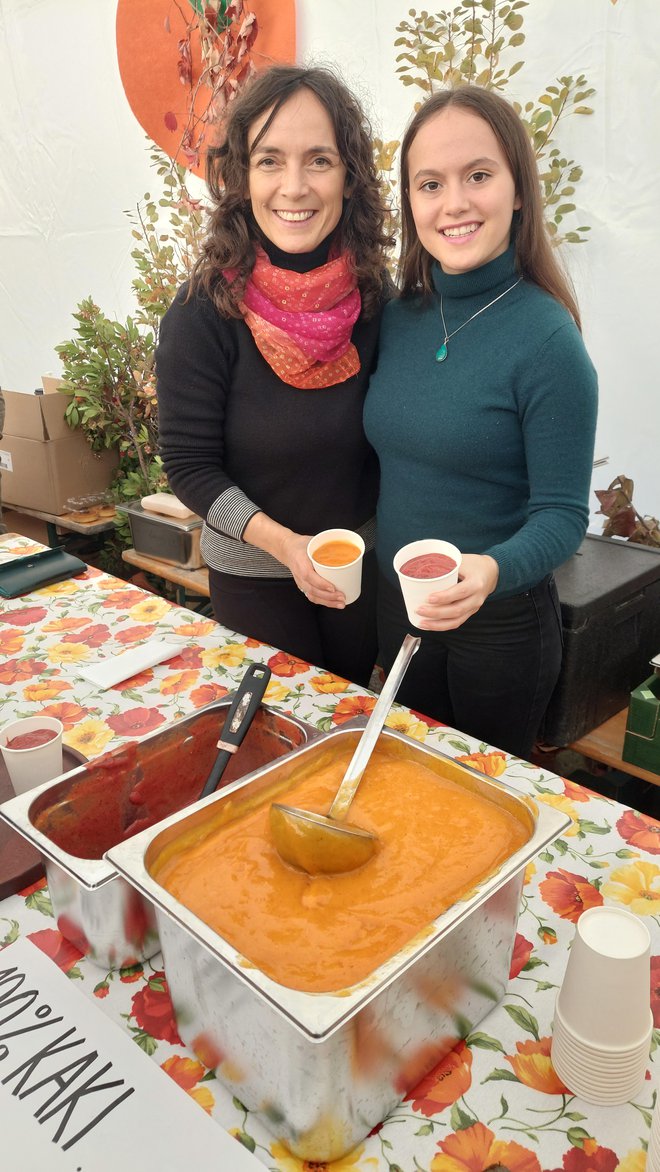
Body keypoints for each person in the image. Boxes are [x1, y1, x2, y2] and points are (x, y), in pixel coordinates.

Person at [363, 86, 598, 758]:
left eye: (478, 176)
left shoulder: (548, 341)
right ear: (411, 202)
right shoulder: (396, 316)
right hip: (397, 608)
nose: (454, 203)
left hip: (500, 631)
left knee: (480, 812)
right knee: (407, 788)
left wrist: (491, 572)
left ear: (518, 190)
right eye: (430, 183)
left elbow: (561, 516)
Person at [156, 65, 393, 687]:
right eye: (269, 161)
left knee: (344, 725)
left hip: (354, 571)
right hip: (255, 576)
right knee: (280, 740)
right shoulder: (202, 313)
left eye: (319, 160)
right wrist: (286, 545)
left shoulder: (377, 302)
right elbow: (190, 467)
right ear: (240, 176)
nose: (294, 186)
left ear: (349, 175)